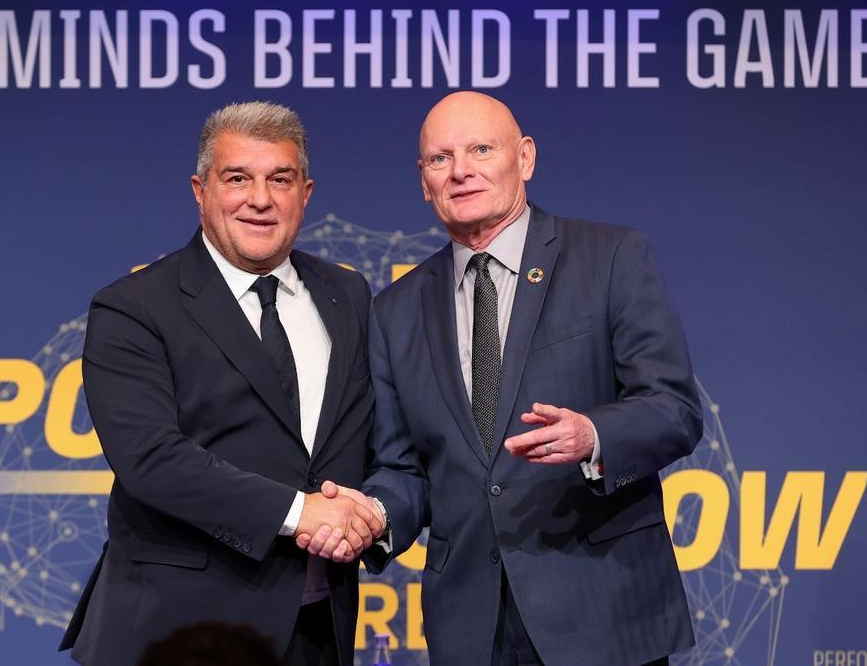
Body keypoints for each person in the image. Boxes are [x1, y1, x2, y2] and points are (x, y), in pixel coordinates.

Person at [303, 92, 702, 665]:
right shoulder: (394, 311)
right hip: (471, 628)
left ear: (526, 157)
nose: (461, 170)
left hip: (600, 614)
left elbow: (673, 408)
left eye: (480, 149)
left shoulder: (611, 257)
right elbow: (404, 466)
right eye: (440, 159)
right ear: (424, 181)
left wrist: (594, 435)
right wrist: (375, 513)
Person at [61, 101, 382, 666]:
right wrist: (298, 512)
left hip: (316, 628)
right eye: (238, 178)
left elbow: (370, 438)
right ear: (200, 190)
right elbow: (151, 459)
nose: (260, 199)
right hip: (179, 632)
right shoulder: (134, 307)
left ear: (305, 193)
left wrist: (374, 513)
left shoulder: (346, 295)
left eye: (279, 179)